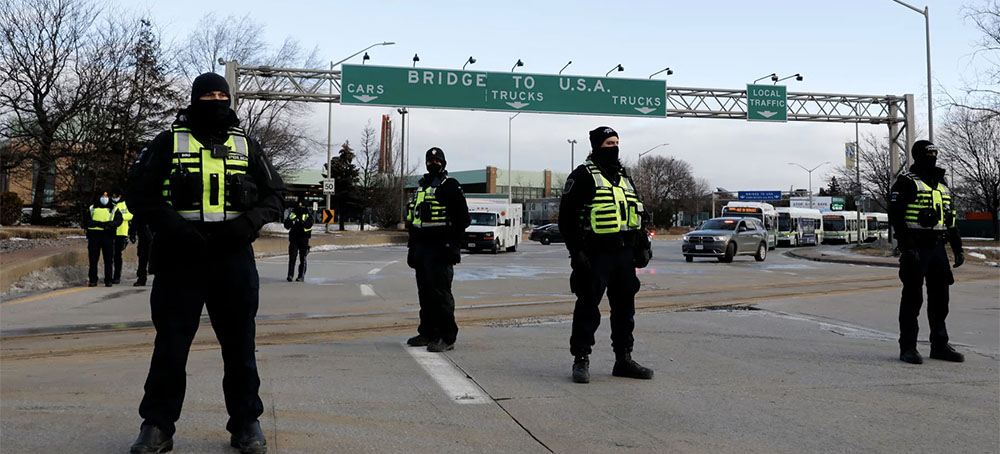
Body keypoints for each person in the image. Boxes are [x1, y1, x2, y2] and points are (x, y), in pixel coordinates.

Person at [125, 72, 285, 454]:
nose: (215, 100)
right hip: (180, 257)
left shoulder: (247, 146)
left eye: (221, 94)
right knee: (171, 346)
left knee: (240, 346)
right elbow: (138, 195)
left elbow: (275, 196)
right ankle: (157, 427)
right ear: (195, 99)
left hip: (232, 257)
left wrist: (247, 224)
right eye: (208, 94)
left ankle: (247, 424)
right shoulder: (167, 143)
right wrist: (173, 227)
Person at [559, 126, 654, 384]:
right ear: (597, 146)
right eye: (608, 143)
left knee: (625, 309)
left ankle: (623, 359)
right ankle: (581, 359)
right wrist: (576, 252)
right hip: (595, 255)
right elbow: (566, 219)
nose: (614, 147)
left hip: (624, 254)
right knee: (588, 307)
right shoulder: (582, 176)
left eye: (616, 142)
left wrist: (643, 244)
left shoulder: (625, 178)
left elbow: (638, 215)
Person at [889, 139, 965, 365]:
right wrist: (906, 247)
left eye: (935, 154)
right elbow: (896, 217)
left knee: (941, 298)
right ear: (918, 155)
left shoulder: (942, 185)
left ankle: (940, 345)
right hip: (916, 247)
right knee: (913, 298)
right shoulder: (906, 183)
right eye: (928, 154)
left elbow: (950, 220)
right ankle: (908, 347)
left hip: (938, 249)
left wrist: (957, 247)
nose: (933, 158)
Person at [404, 147, 470, 352]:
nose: (433, 163)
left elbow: (463, 220)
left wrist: (452, 246)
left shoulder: (450, 186)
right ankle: (428, 332)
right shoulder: (421, 187)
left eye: (437, 160)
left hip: (441, 248)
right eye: (430, 160)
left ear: (444, 163)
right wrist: (412, 249)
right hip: (422, 248)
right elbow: (414, 221)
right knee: (425, 293)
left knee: (441, 294)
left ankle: (447, 337)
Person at [84, 191, 123, 287]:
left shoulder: (114, 208)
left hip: (108, 235)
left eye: (106, 196)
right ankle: (93, 280)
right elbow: (86, 221)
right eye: (102, 196)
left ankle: (108, 280)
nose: (104, 198)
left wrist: (108, 225)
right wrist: (98, 224)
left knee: (108, 260)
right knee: (93, 259)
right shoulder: (92, 208)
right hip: (94, 235)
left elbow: (118, 220)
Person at [283, 202, 313, 282]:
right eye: (299, 206)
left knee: (303, 258)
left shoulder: (307, 214)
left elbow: (310, 224)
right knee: (292, 258)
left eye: (302, 206)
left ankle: (301, 275)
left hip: (304, 238)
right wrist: (290, 221)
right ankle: (290, 275)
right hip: (294, 239)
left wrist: (303, 223)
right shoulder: (293, 214)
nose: (300, 208)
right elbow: (286, 225)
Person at [111, 188, 133, 285]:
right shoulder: (110, 205)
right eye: (114, 196)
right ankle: (110, 275)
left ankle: (117, 276)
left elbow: (131, 215)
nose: (116, 198)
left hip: (121, 233)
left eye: (117, 196)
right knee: (110, 255)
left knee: (117, 256)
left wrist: (120, 217)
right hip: (111, 232)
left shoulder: (125, 204)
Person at [131, 214, 153, 286]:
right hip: (143, 238)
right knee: (142, 259)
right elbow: (134, 222)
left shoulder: (157, 209)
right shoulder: (141, 211)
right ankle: (141, 279)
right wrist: (132, 234)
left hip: (155, 238)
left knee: (155, 259)